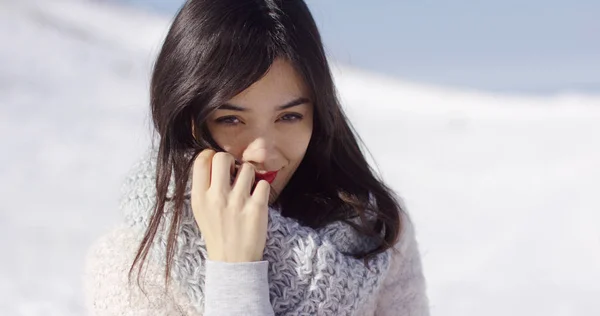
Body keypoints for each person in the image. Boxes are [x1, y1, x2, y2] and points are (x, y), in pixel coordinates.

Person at [83, 0, 430, 315]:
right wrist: (234, 271)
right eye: (231, 119)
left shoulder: (375, 231)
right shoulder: (131, 265)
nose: (262, 151)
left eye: (289, 117)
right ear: (188, 121)